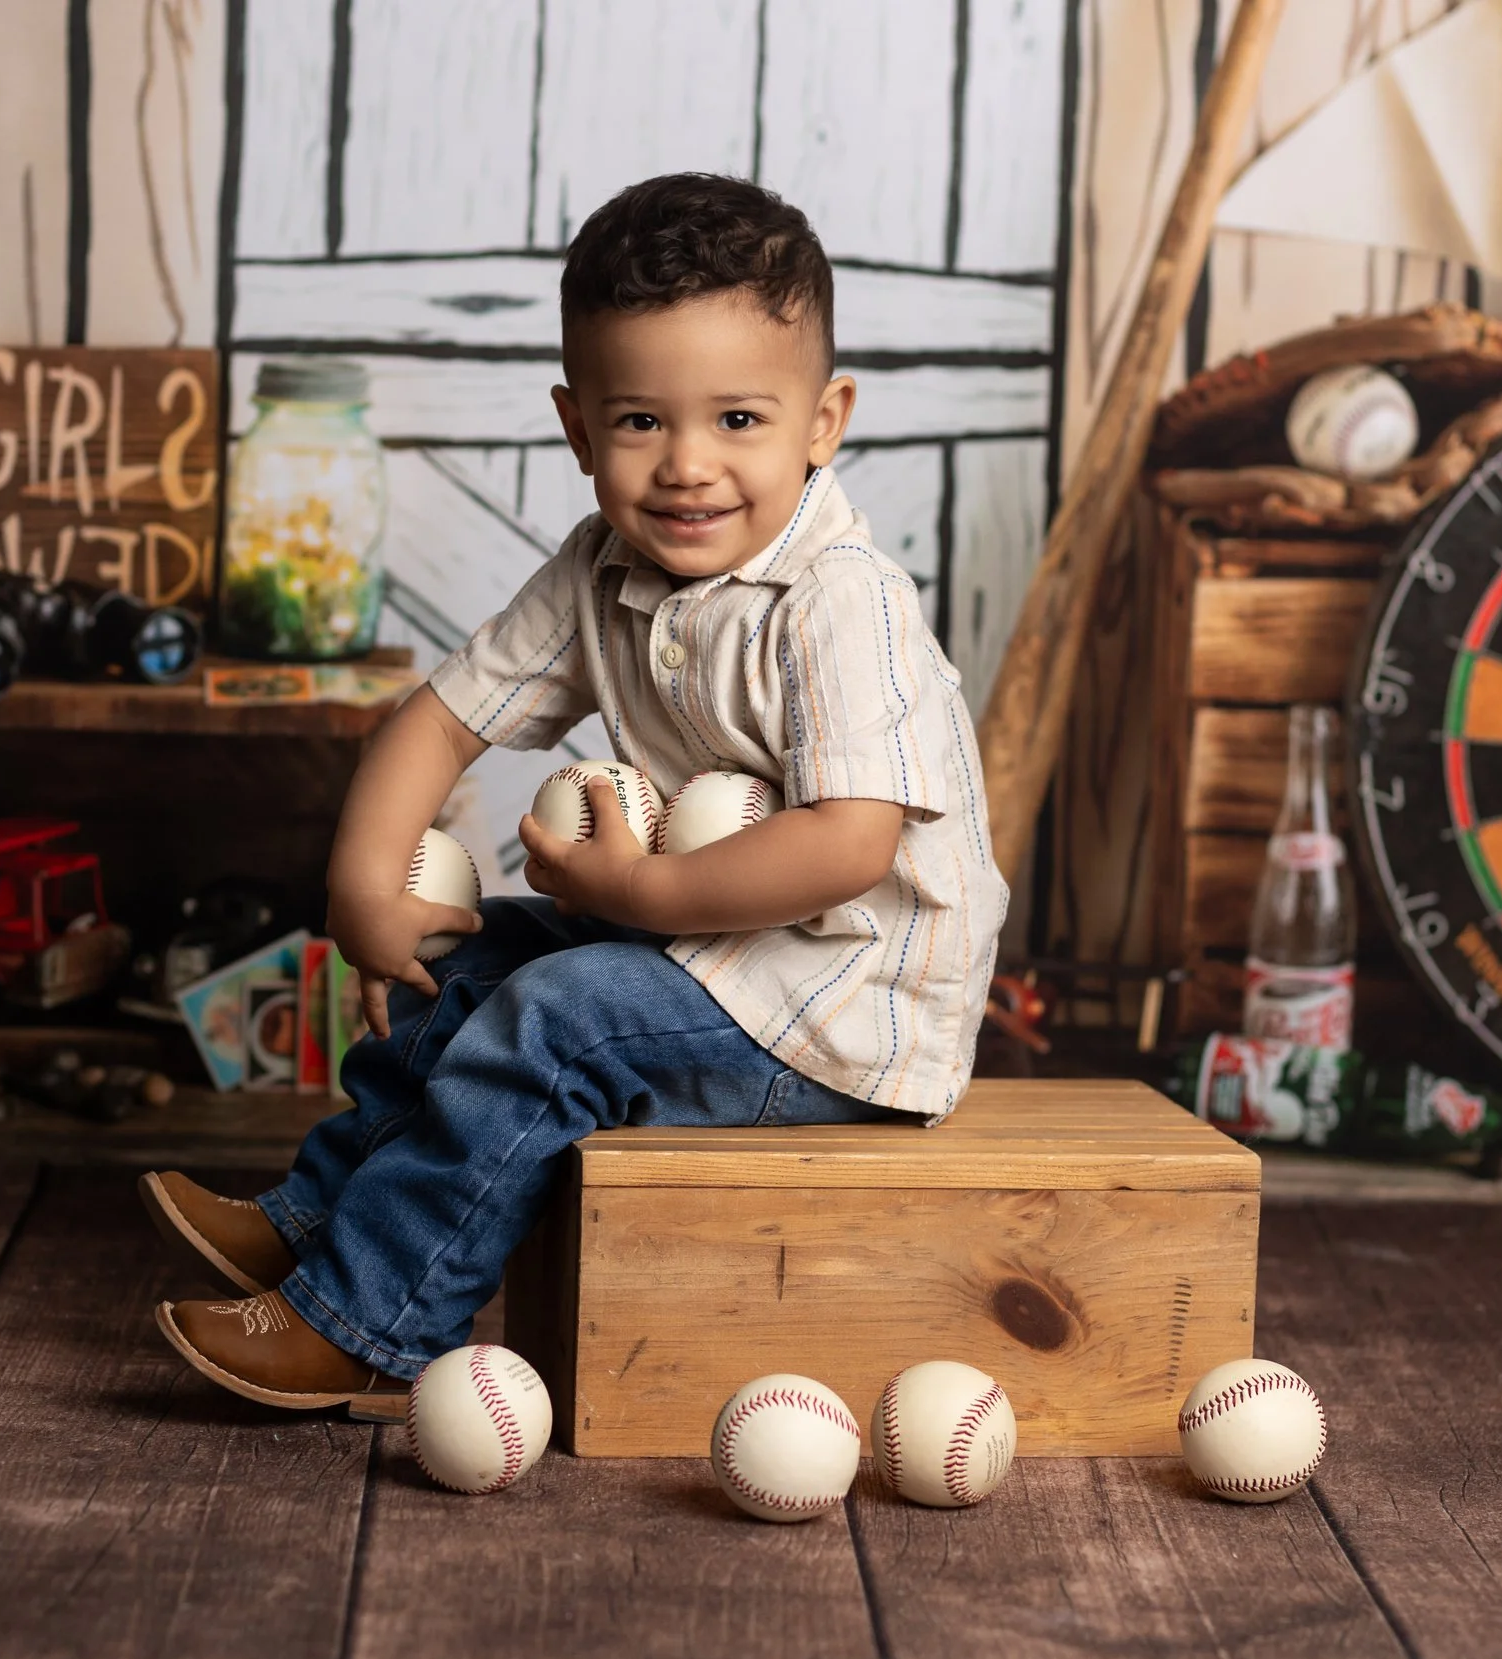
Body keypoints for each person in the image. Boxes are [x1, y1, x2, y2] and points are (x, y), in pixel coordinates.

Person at [142, 173, 1009, 1413]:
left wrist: (640, 892)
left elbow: (849, 843)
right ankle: (316, 1219)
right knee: (468, 954)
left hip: (842, 1008)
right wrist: (363, 887)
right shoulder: (600, 567)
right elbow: (440, 718)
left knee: (562, 1017)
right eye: (641, 420)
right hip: (709, 953)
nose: (688, 467)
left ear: (824, 421)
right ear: (576, 425)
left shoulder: (839, 602)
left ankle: (369, 1325)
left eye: (739, 419)